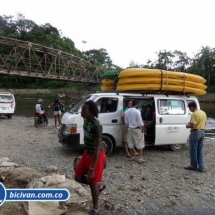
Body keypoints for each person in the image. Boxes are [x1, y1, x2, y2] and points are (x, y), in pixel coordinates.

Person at [74, 100, 106, 215]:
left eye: (84, 110)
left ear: (91, 112)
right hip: (87, 152)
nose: (81, 112)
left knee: (92, 182)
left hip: (95, 155)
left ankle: (96, 209)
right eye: (82, 109)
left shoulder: (96, 125)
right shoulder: (85, 120)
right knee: (77, 177)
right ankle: (99, 186)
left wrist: (92, 169)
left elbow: (98, 147)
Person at [185, 101, 207, 173]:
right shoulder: (203, 112)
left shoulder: (194, 114)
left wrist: (187, 125)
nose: (189, 110)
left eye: (189, 108)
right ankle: (201, 167)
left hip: (195, 132)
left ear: (192, 107)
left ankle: (193, 166)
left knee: (193, 150)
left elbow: (192, 125)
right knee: (199, 150)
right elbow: (205, 122)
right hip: (202, 131)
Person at [124, 99, 145, 163]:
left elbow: (126, 122)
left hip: (130, 128)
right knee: (140, 143)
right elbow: (140, 121)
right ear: (137, 104)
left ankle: (131, 157)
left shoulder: (127, 111)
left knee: (130, 143)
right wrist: (142, 128)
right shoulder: (137, 111)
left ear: (132, 103)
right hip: (137, 128)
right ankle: (140, 157)